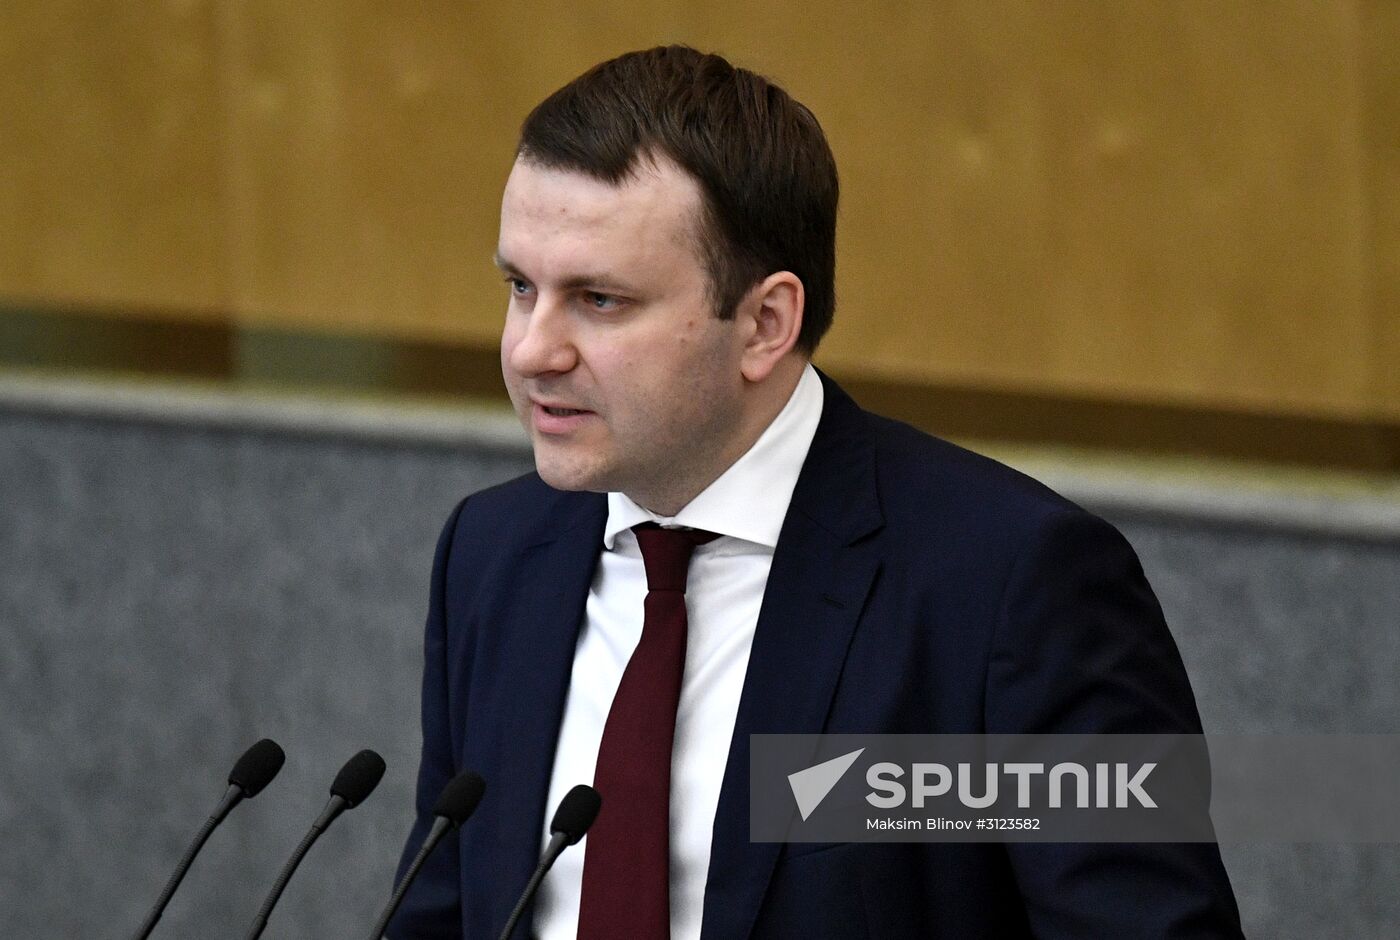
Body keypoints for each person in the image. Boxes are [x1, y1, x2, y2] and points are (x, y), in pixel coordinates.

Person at [389, 45, 1243, 939]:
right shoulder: (492, 553)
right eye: (521, 287)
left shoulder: (1009, 587)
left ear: (766, 323)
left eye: (599, 300)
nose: (532, 350)